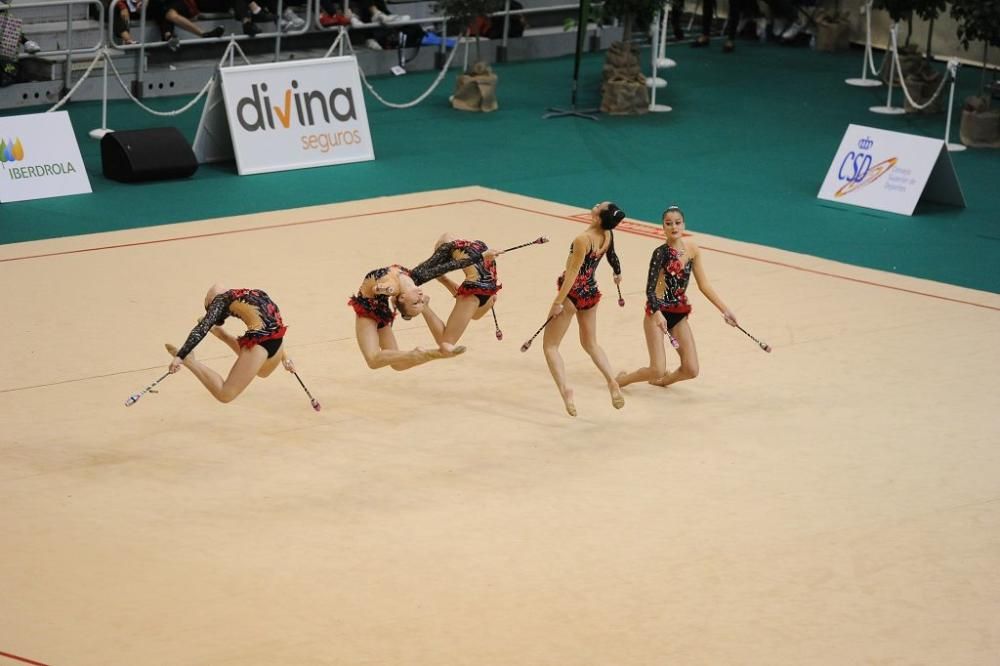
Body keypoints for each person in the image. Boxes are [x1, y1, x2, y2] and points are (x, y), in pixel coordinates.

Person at [616, 206, 738, 390]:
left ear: (684, 225)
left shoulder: (692, 250)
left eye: (678, 223)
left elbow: (704, 285)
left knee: (691, 369)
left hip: (677, 311)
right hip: (656, 311)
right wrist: (657, 313)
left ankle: (661, 382)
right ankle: (620, 381)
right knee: (657, 368)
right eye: (669, 223)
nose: (674, 227)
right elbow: (650, 290)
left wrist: (725, 310)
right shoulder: (660, 253)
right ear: (663, 227)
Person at [349, 242, 499, 370]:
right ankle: (435, 353)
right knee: (397, 365)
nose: (421, 298)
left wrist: (383, 289)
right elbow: (449, 266)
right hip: (379, 306)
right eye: (421, 302)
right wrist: (481, 256)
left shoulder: (395, 287)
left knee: (373, 360)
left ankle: (417, 354)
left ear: (401, 298)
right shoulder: (416, 276)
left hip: (368, 308)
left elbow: (383, 288)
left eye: (416, 302)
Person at [542, 201, 626, 417]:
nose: (596, 204)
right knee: (591, 344)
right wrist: (617, 272)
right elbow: (612, 255)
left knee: (550, 346)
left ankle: (565, 390)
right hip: (591, 293)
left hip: (572, 294)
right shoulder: (607, 234)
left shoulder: (583, 239)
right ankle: (612, 381)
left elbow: (571, 274)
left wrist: (557, 303)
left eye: (599, 206)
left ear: (598, 218)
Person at [166, 285, 296, 403]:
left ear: (209, 300)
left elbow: (201, 329)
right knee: (261, 372)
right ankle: (222, 335)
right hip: (277, 343)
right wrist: (285, 357)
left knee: (225, 394)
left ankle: (190, 360)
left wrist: (181, 356)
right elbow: (273, 323)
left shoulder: (220, 300)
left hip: (260, 346)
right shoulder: (256, 293)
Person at [419, 233, 502, 353]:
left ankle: (424, 306)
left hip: (473, 295)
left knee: (445, 343)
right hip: (491, 292)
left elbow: (435, 267)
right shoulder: (479, 244)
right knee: (474, 315)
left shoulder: (451, 251)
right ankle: (444, 280)